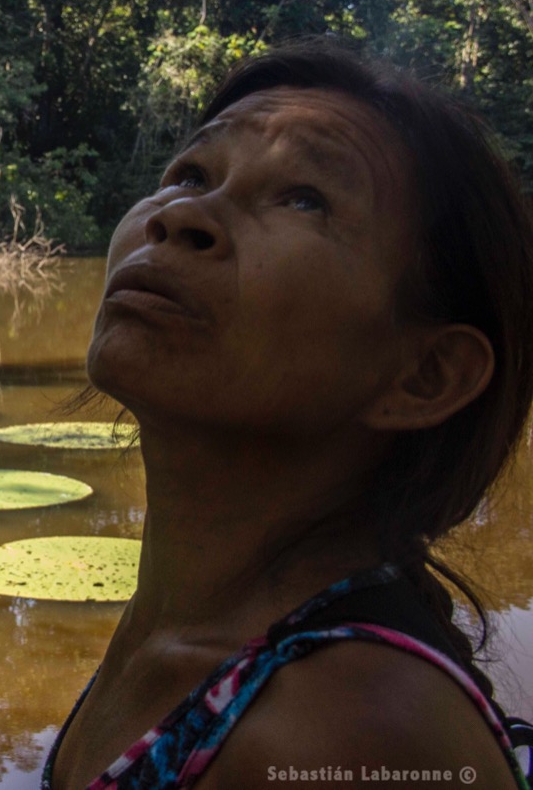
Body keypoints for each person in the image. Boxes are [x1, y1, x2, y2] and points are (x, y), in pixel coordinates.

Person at [43, 40, 533, 789]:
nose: (182, 215)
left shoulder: (348, 728)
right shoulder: (191, 627)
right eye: (191, 173)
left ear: (426, 375)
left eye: (304, 197)